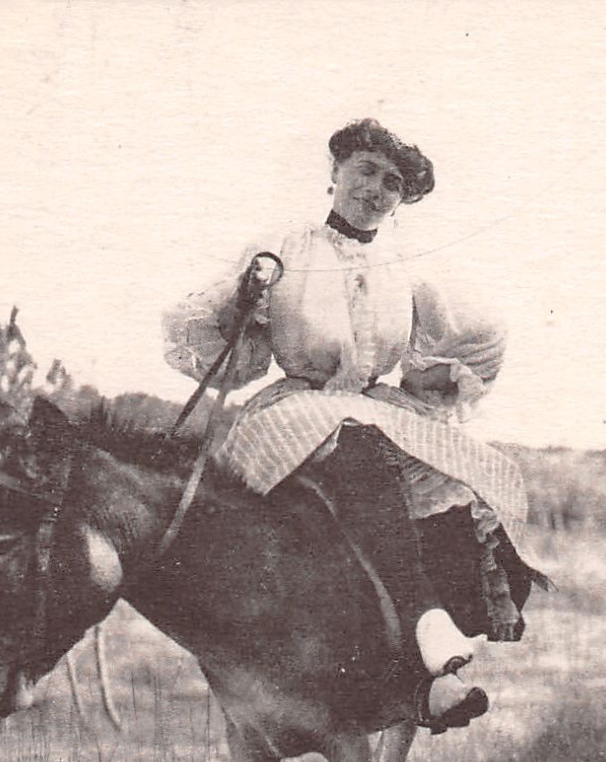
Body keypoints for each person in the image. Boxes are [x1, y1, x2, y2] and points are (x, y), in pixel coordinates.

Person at [163, 117, 535, 730]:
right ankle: (424, 631)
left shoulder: (403, 269)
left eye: (392, 183)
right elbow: (221, 346)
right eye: (365, 171)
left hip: (370, 403)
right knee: (356, 450)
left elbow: (480, 336)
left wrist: (427, 382)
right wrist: (245, 298)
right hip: (296, 408)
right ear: (334, 172)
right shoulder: (285, 247)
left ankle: (429, 653)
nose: (375, 190)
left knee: (471, 471)